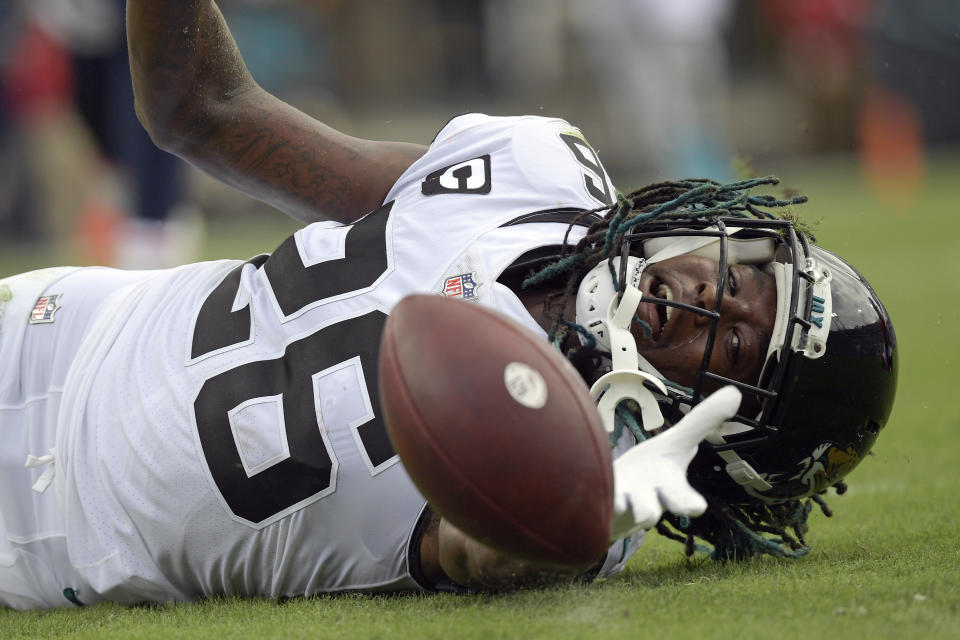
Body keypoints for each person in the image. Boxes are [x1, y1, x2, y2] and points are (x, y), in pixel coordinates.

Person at [0, 0, 898, 609]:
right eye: (740, 278)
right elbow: (201, 111)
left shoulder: (584, 503)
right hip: (52, 328)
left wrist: (578, 508)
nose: (713, 299)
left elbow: (475, 550)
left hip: (46, 535)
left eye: (738, 347)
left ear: (729, 441)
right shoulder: (537, 169)